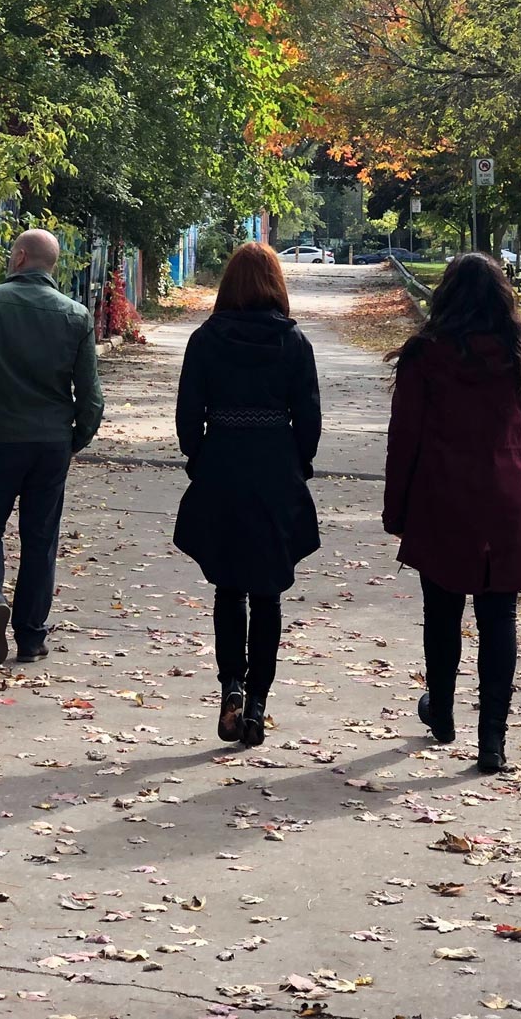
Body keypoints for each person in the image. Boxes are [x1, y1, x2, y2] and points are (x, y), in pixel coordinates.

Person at [383, 252, 521, 773]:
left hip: (442, 499)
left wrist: (398, 509)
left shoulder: (425, 356)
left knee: (442, 610)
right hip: (504, 497)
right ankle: (492, 741)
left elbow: (404, 438)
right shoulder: (517, 353)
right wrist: (514, 463)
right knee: (499, 617)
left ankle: (443, 712)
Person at [173, 243, 322, 747]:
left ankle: (231, 684)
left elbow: (188, 414)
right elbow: (310, 419)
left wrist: (200, 459)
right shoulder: (294, 342)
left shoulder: (206, 339)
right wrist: (297, 465)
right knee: (269, 589)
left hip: (224, 465)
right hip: (275, 466)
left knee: (228, 585)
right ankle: (258, 699)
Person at [0, 228, 104, 668]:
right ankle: (31, 638)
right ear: (50, 264)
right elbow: (90, 394)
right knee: (40, 540)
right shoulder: (76, 315)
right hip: (50, 443)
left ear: (19, 257)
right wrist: (76, 439)